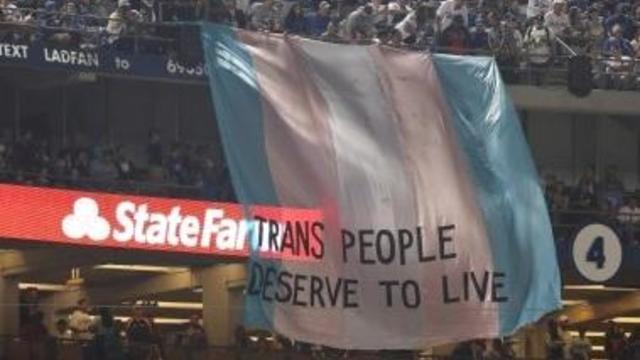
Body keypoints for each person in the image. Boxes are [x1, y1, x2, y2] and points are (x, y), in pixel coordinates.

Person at [524, 15, 553, 85]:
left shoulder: (548, 30)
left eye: (540, 21)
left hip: (544, 58)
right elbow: (526, 42)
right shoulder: (530, 29)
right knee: (532, 80)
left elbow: (552, 42)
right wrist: (526, 55)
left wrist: (551, 55)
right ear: (534, 21)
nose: (538, 22)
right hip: (532, 57)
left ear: (543, 21)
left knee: (543, 79)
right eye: (537, 20)